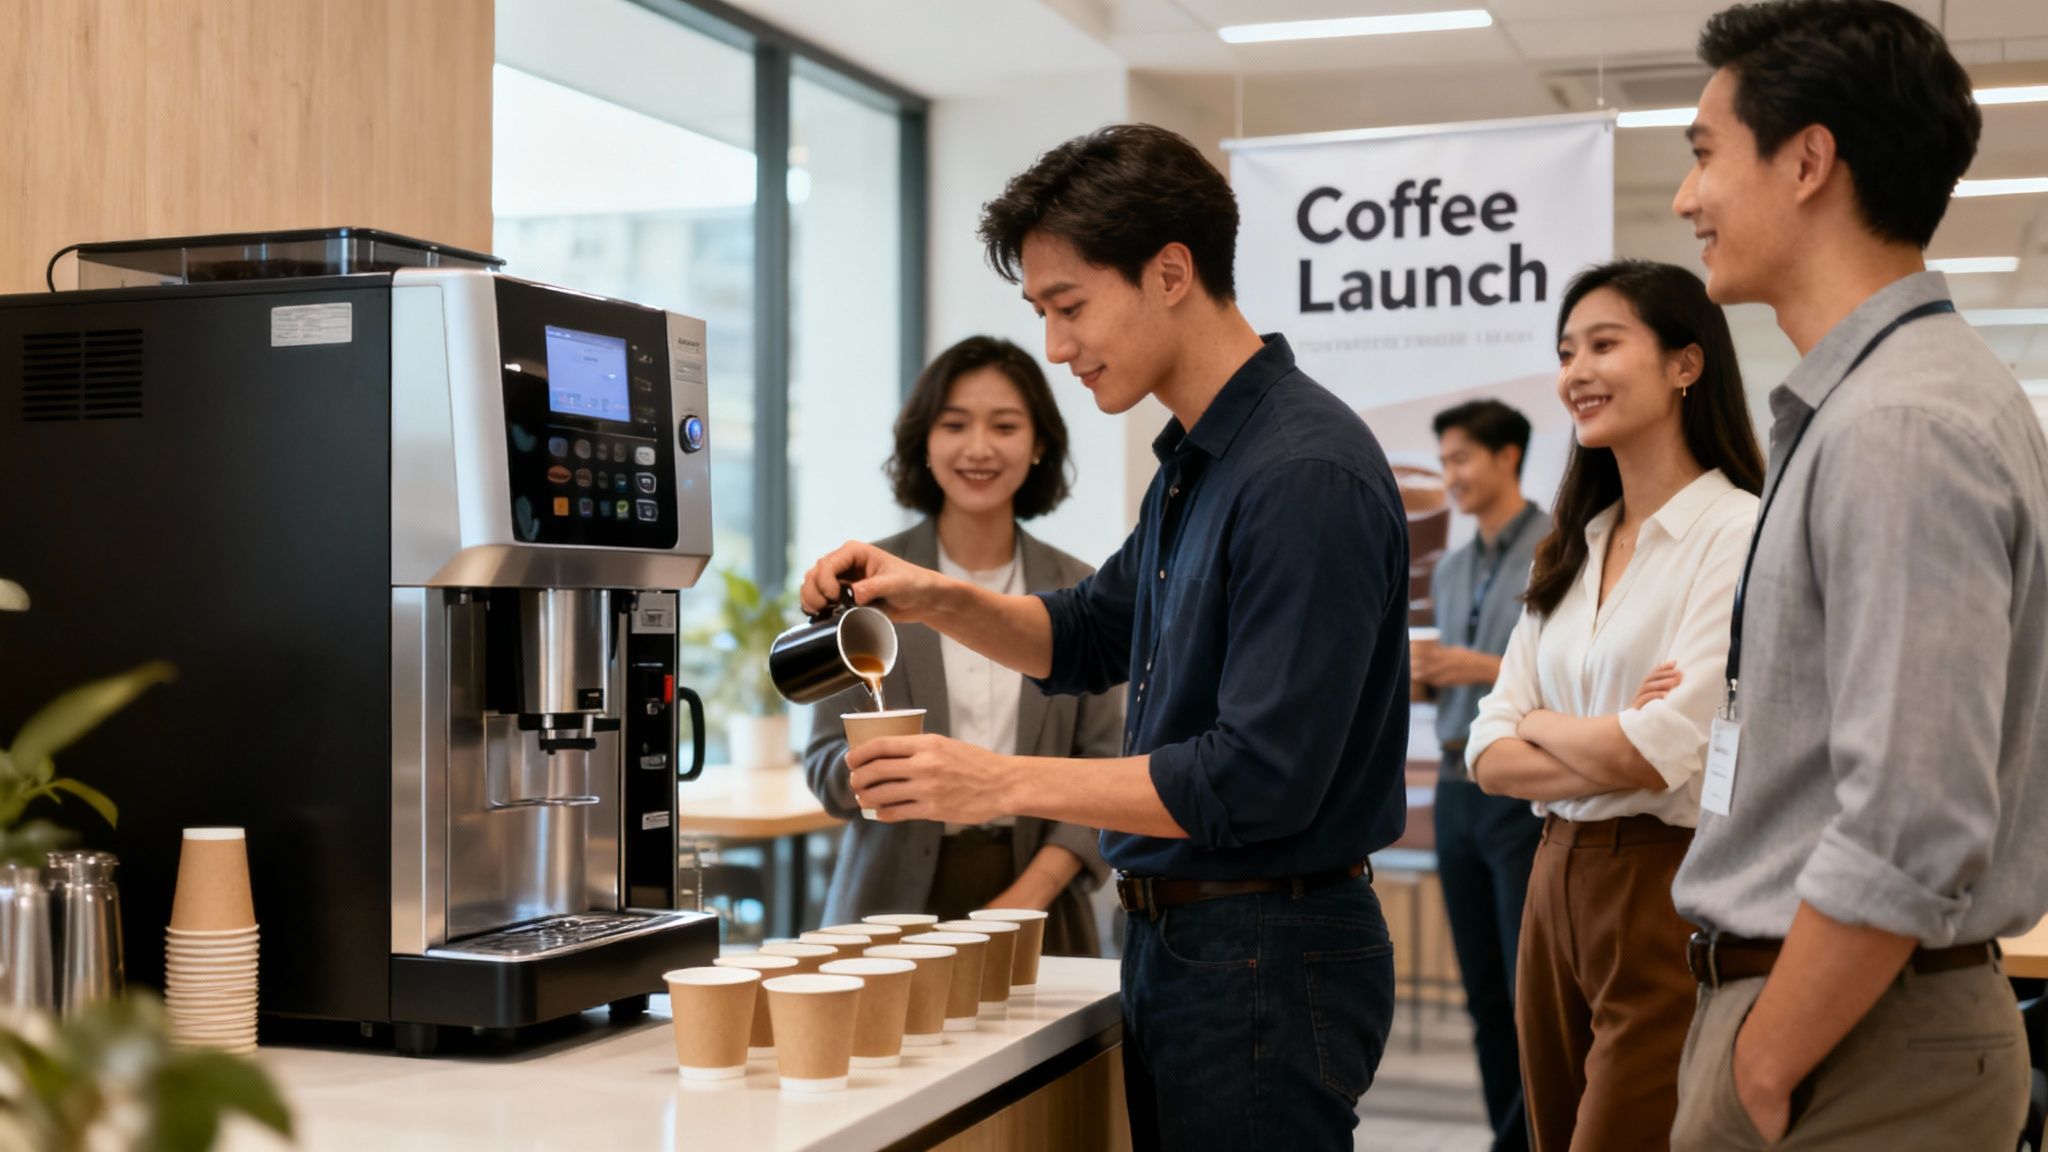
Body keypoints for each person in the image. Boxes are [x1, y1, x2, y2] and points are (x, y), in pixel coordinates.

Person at [797, 124, 1410, 1149]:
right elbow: (1083, 634)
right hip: (1191, 936)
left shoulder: (1299, 475)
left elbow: (1253, 777)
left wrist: (994, 783)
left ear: (1169, 273)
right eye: (1041, 312)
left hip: (1264, 940)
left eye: (1069, 306)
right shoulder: (1199, 466)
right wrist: (927, 594)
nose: (1055, 346)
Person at [1667, 3, 2048, 1149]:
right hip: (1840, 1026)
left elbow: (1909, 821)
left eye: (1700, 154)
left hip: (1850, 1047)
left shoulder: (1900, 425)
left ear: (1806, 161)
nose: (1685, 198)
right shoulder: (1868, 407)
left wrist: (1763, 1064)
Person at [1468, 260, 1763, 1152]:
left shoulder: (1738, 530)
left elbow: (1660, 752)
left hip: (1658, 883)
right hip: (1549, 876)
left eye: (1604, 344)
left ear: (1685, 363)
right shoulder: (1571, 547)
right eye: (1566, 352)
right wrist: (1582, 730)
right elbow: (1487, 752)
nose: (1576, 372)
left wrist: (1544, 724)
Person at [801, 335, 1118, 952]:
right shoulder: (862, 584)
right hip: (885, 913)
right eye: (954, 425)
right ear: (925, 440)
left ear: (1039, 445)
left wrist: (1019, 905)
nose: (978, 449)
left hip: (1041, 910)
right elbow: (823, 765)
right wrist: (870, 772)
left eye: (1004, 425)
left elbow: (1104, 768)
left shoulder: (1084, 593)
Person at [1413, 399, 1548, 1152]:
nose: (1451, 476)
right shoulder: (1456, 563)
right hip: (1455, 789)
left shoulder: (1561, 545)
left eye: (1462, 458)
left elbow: (1570, 674)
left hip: (1524, 790)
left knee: (1530, 991)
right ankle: (1509, 1136)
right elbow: (1451, 681)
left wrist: (1475, 668)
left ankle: (1536, 1134)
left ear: (1508, 457)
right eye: (1444, 461)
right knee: (1483, 995)